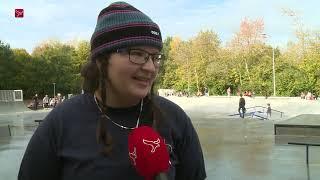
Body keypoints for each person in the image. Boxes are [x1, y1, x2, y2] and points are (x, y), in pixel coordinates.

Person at [18, 2, 206, 180]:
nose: (150, 67)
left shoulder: (175, 118)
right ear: (101, 60)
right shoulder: (61, 122)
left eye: (155, 57)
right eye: (138, 54)